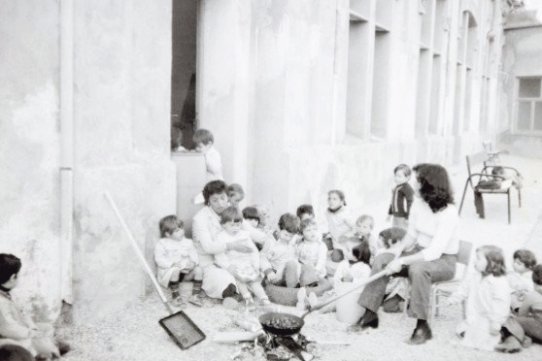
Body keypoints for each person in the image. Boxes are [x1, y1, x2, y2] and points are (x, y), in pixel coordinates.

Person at [354, 163, 459, 345]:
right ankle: (370, 315)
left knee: (418, 269)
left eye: (418, 180)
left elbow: (434, 251)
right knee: (382, 259)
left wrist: (403, 260)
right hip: (419, 253)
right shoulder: (418, 203)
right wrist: (395, 252)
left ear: (429, 184)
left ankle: (422, 326)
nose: (414, 183)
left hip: (443, 261)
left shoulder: (449, 213)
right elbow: (411, 236)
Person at [192, 180, 253, 300]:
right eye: (214, 200)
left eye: (223, 198)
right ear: (208, 201)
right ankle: (233, 293)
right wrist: (232, 245)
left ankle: (241, 292)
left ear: (227, 197)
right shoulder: (200, 219)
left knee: (252, 273)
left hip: (231, 257)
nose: (220, 203)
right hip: (209, 263)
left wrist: (266, 239)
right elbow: (208, 247)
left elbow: (247, 229)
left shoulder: (230, 211)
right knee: (225, 281)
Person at [0, 254, 70, 359]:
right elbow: (8, 329)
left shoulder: (7, 293)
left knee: (46, 328)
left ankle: (49, 348)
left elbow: (23, 313)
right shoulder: (1, 302)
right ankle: (44, 353)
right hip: (9, 337)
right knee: (26, 344)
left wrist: (32, 326)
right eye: (18, 276)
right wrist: (30, 332)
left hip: (21, 331)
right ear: (12, 277)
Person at [447, 246, 510, 351]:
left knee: (487, 339)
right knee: (463, 331)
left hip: (490, 318)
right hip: (475, 316)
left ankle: (506, 336)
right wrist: (454, 298)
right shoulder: (474, 276)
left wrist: (496, 322)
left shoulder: (499, 282)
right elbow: (463, 289)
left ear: (492, 263)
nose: (475, 261)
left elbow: (501, 304)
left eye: (478, 258)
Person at [214, 207, 270, 305]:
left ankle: (263, 297)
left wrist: (255, 265)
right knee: (239, 280)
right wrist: (227, 266)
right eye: (232, 225)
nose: (236, 228)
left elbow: (253, 251)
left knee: (254, 281)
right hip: (232, 264)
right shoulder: (221, 237)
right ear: (223, 224)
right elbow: (219, 255)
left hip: (246, 262)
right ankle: (247, 297)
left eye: (238, 225)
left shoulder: (244, 235)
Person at [154, 215, 203, 307]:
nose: (182, 232)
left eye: (181, 228)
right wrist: (171, 263)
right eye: (177, 231)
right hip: (170, 274)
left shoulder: (188, 242)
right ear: (168, 234)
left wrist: (193, 262)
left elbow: (194, 254)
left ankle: (195, 296)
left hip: (185, 274)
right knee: (175, 270)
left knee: (199, 270)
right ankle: (176, 297)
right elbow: (159, 259)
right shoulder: (162, 243)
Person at [498, 264, 542, 352]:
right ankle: (525, 336)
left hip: (539, 329)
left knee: (510, 321)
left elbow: (521, 314)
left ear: (533, 280)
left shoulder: (532, 295)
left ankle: (514, 341)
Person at [260, 213, 301, 288]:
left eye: (291, 236)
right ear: (278, 227)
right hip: (276, 275)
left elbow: (300, 238)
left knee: (306, 267)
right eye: (286, 235)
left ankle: (303, 286)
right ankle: (292, 290)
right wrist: (269, 272)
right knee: (290, 264)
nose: (288, 238)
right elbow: (263, 258)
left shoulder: (293, 238)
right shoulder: (271, 242)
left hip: (292, 274)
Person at [192, 129, 223, 204]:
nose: (197, 149)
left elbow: (215, 169)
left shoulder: (213, 154)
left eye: (200, 146)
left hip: (216, 186)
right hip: (208, 185)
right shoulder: (205, 153)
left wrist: (205, 155)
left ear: (209, 144)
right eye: (196, 146)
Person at [387, 164, 414, 229]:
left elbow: (410, 203)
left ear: (407, 178)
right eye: (395, 175)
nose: (396, 178)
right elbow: (392, 201)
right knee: (395, 231)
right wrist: (390, 213)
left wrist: (408, 217)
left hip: (402, 217)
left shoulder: (407, 188)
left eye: (399, 176)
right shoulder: (397, 187)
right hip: (396, 215)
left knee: (401, 233)